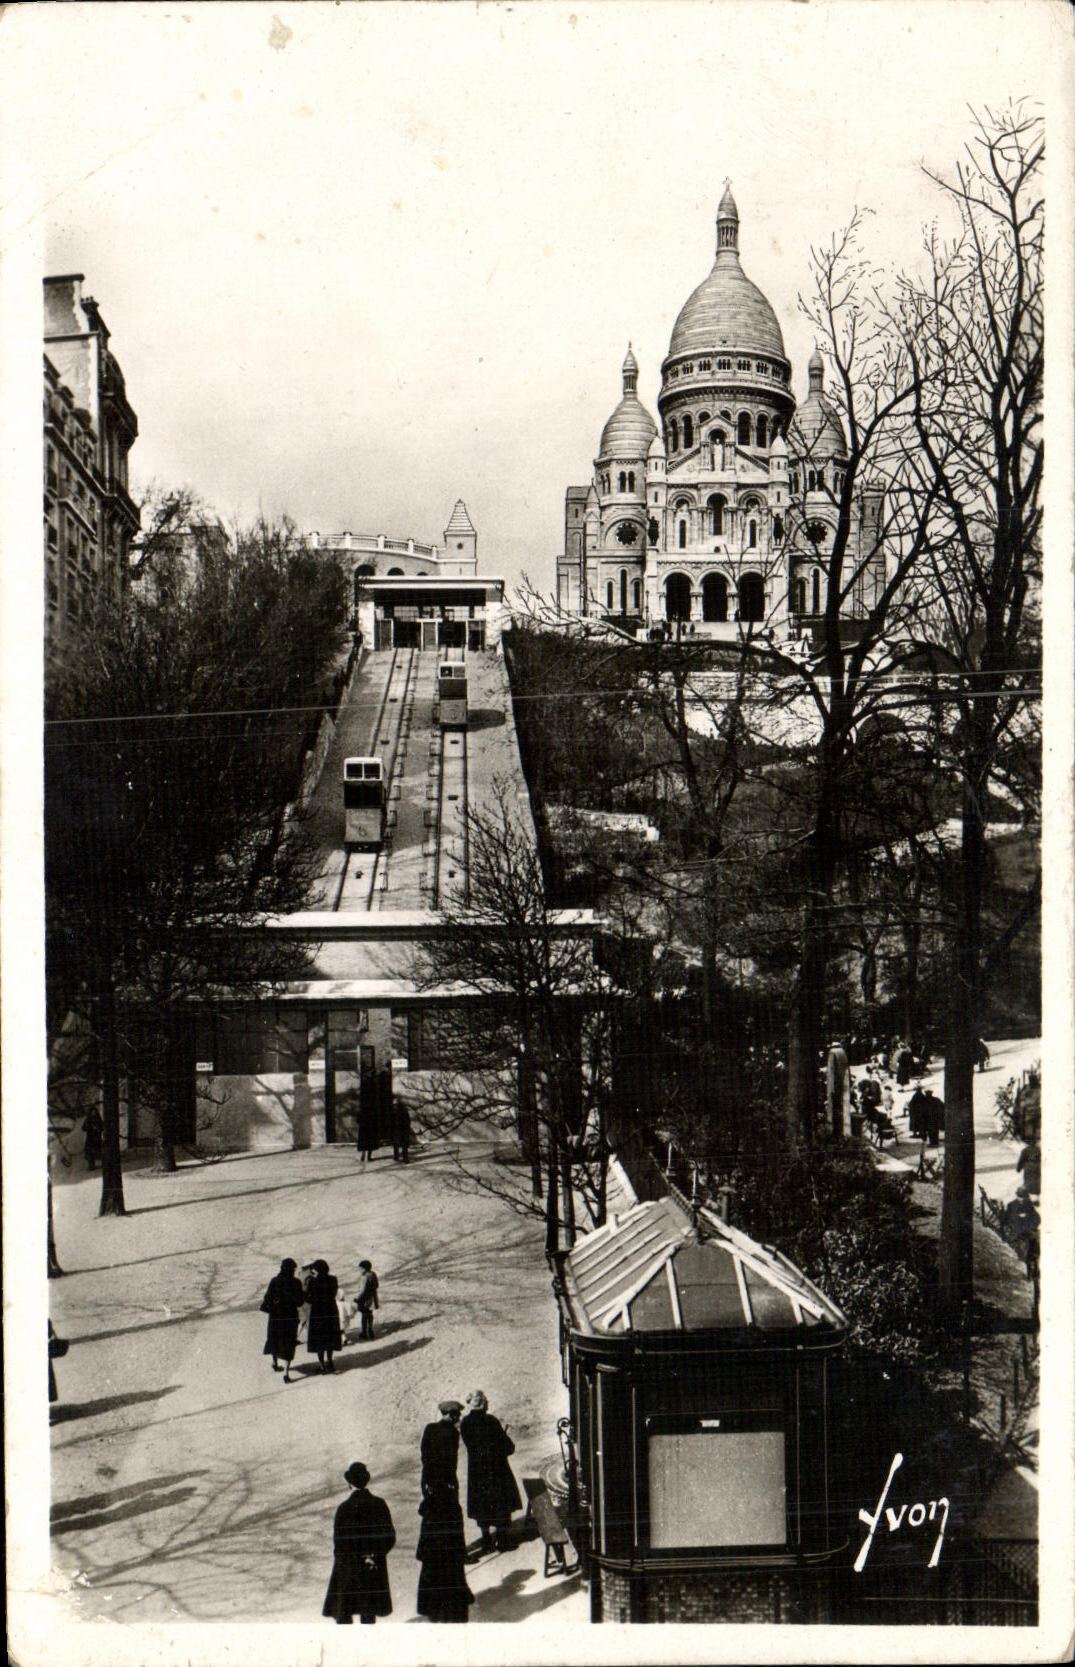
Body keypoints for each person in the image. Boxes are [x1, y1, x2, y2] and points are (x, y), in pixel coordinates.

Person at [323, 1462, 395, 1626]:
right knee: (368, 1615)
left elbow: (339, 1544)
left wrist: (349, 1561)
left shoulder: (344, 1508)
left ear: (349, 1483)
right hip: (372, 1568)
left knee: (344, 1613)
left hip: (348, 1570)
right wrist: (373, 1555)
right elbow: (389, 1537)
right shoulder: (379, 1504)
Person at [460, 1391, 522, 1554]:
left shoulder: (465, 1424)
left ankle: (487, 1541)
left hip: (477, 1472)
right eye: (486, 1401)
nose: (488, 1403)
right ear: (482, 1403)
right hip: (497, 1470)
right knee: (500, 1503)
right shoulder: (491, 1421)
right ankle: (502, 1541)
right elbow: (508, 1447)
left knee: (482, 1504)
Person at [416, 1484, 473, 1623]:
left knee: (433, 1583)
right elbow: (459, 1533)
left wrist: (422, 1552)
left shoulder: (428, 1506)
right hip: (451, 1555)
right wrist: (462, 1553)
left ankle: (435, 1607)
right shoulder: (453, 1505)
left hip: (432, 1555)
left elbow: (425, 1533)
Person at [261, 1258, 305, 1382]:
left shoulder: (274, 1281)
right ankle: (286, 1374)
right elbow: (300, 1302)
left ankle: (275, 1364)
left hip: (276, 1316)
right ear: (292, 1269)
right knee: (288, 1343)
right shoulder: (296, 1282)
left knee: (274, 1338)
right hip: (290, 1316)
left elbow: (267, 1298)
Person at [304, 1259, 342, 1373]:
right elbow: (334, 1294)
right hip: (331, 1310)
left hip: (318, 1312)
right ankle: (330, 1362)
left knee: (319, 1338)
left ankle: (322, 1365)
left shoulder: (312, 1281)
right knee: (330, 1336)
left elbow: (307, 1298)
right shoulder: (333, 1279)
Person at [421, 1400, 463, 1496]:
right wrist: (451, 1480)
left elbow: (425, 1455)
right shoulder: (453, 1433)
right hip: (445, 1480)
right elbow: (450, 1459)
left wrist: (427, 1479)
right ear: (452, 1415)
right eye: (457, 1415)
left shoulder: (430, 1428)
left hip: (429, 1478)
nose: (458, 1418)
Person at [825, 1041, 851, 1139]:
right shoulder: (842, 1052)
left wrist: (830, 1089)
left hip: (835, 1087)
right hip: (843, 1085)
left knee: (834, 1111)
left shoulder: (832, 1053)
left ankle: (834, 1134)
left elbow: (831, 1072)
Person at [355, 1259, 380, 1341]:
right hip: (372, 1298)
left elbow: (363, 1290)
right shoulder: (373, 1274)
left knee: (364, 1315)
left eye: (360, 1268)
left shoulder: (364, 1277)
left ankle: (364, 1333)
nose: (359, 1270)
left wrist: (358, 1298)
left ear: (364, 1268)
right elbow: (377, 1285)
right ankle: (370, 1330)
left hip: (365, 1299)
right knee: (370, 1314)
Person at [356, 1099, 377, 1165]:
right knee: (370, 1143)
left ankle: (363, 1154)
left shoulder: (361, 1112)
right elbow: (374, 1120)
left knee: (363, 1142)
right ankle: (369, 1157)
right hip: (370, 1129)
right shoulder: (372, 1112)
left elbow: (358, 1120)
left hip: (363, 1129)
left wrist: (361, 1123)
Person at [391, 1099, 411, 1163]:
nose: (395, 1106)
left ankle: (405, 1158)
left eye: (396, 1105)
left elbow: (408, 1120)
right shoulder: (393, 1112)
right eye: (394, 1105)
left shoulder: (403, 1111)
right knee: (396, 1145)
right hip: (396, 1130)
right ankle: (396, 1156)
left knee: (403, 1145)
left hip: (402, 1130)